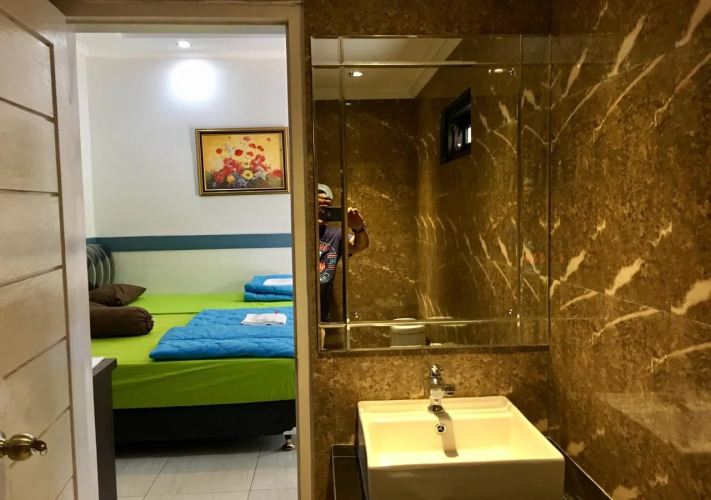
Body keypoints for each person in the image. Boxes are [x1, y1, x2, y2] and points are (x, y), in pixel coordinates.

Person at [318, 183, 369, 323]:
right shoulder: (296, 234)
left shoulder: (335, 235)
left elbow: (360, 245)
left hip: (321, 315)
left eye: (326, 208)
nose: (322, 212)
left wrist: (359, 228)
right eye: (318, 206)